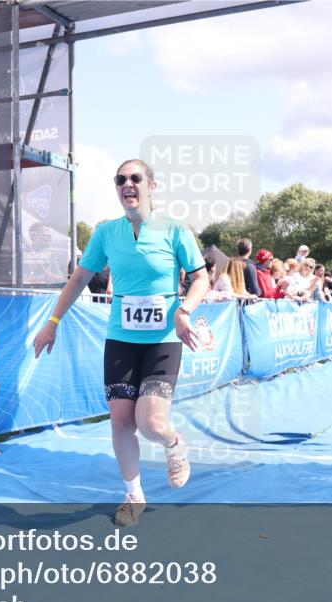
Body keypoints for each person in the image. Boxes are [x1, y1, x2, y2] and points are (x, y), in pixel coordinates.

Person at [33, 159, 209, 527]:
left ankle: (174, 443)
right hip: (121, 339)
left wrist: (185, 311)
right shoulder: (107, 233)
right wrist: (52, 322)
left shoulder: (175, 230)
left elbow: (200, 279)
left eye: (135, 178)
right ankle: (134, 495)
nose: (127, 184)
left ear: (152, 185)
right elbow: (80, 278)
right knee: (120, 420)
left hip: (162, 340)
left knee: (151, 423)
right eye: (120, 179)